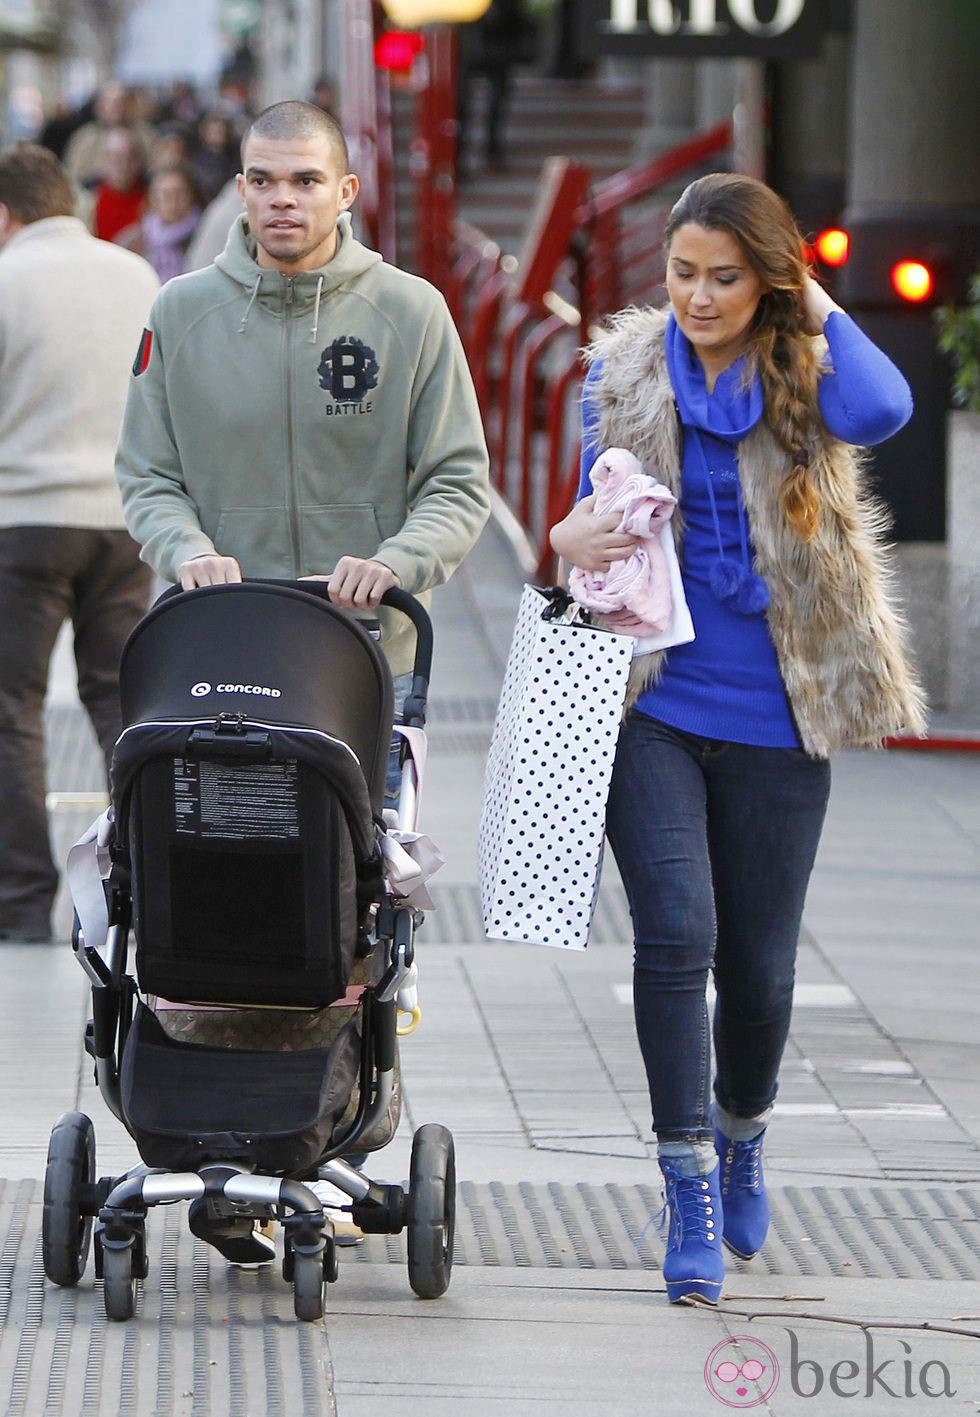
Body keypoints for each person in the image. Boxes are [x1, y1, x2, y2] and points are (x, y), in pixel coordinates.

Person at [115, 100, 490, 1259]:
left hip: (352, 673)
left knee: (337, 911)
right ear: (238, 190)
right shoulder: (178, 316)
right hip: (210, 666)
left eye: (304, 180)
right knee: (206, 891)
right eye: (262, 180)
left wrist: (397, 561)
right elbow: (146, 474)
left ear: (346, 189)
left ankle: (323, 1120)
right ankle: (214, 1132)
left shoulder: (409, 316)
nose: (282, 199)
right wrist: (185, 552)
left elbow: (458, 482)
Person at [549, 172, 926, 1307]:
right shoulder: (620, 373)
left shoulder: (805, 369)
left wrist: (812, 305)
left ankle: (742, 1129)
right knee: (675, 935)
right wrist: (569, 535)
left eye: (724, 276)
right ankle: (686, 1181)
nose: (699, 297)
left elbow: (886, 410)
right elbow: (583, 517)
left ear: (767, 275)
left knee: (758, 974)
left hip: (780, 704)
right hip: (649, 699)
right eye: (680, 275)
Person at [0, 143, 160, 944]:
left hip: (22, 520)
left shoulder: (6, 279)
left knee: (12, 711)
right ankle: (144, 884)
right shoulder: (135, 277)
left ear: (5, 214)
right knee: (120, 702)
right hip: (122, 519)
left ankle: (23, 906)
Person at [115, 163, 202, 283]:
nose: (173, 202)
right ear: (154, 199)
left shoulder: (203, 235)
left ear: (191, 197)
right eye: (166, 194)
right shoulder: (132, 241)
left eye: (180, 194)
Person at [90, 126, 148, 243]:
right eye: (116, 157)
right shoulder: (88, 201)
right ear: (103, 160)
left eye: (130, 157)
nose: (123, 165)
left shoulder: (153, 201)